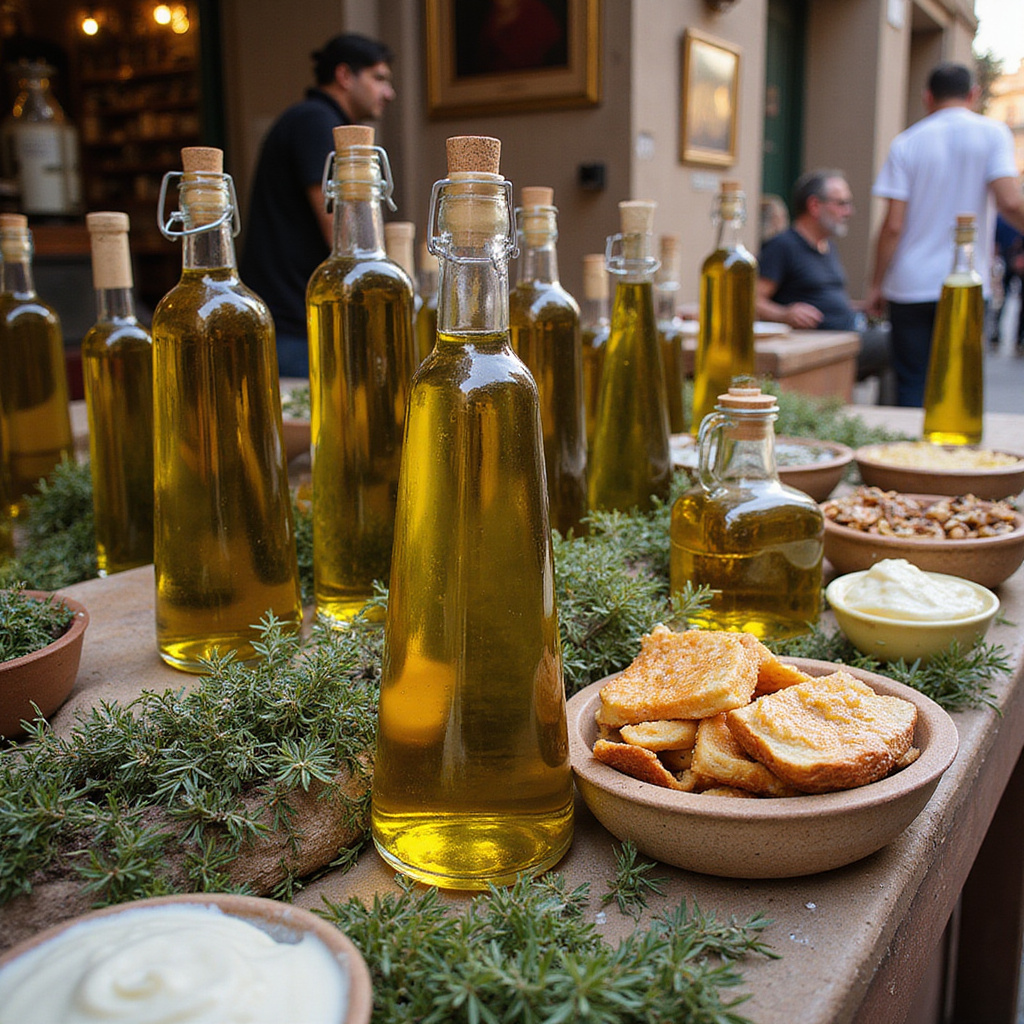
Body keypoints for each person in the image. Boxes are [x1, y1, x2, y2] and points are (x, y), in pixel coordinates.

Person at [866, 62, 1024, 406]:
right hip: (966, 280)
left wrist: (876, 284)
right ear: (974, 94)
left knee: (912, 383)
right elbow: (1011, 202)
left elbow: (893, 225)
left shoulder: (907, 142)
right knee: (959, 384)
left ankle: (908, 443)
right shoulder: (993, 134)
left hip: (909, 283)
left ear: (927, 97)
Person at [240, 33, 395, 377]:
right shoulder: (316, 122)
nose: (389, 92)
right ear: (344, 75)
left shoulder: (310, 119)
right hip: (295, 327)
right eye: (379, 78)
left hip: (290, 320)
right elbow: (344, 236)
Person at [756, 169, 894, 403]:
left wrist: (861, 307)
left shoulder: (827, 246)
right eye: (841, 203)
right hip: (823, 339)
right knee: (898, 341)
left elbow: (827, 299)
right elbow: (752, 299)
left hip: (850, 331)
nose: (848, 212)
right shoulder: (783, 246)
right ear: (814, 205)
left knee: (899, 337)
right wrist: (784, 313)